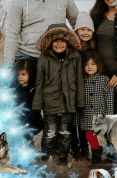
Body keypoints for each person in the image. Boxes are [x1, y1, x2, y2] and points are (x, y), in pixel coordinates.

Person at [3, 0, 79, 68]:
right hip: (26, 57)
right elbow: (12, 35)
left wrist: (83, 52)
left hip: (57, 57)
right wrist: (8, 66)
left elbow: (77, 22)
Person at [32, 23, 84, 166]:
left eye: (63, 40)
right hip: (50, 102)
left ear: (68, 41)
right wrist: (37, 104)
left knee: (66, 133)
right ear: (49, 42)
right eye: (55, 40)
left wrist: (79, 102)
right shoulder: (44, 57)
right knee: (50, 132)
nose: (59, 44)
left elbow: (79, 80)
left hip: (69, 102)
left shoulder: (75, 56)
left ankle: (61, 158)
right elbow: (39, 82)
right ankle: (45, 157)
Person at [78, 50, 114, 165]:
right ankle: (95, 159)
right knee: (90, 136)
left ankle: (102, 157)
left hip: (99, 115)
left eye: (93, 64)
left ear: (98, 65)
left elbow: (109, 98)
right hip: (86, 115)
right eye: (86, 64)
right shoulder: (81, 80)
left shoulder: (104, 80)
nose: (89, 67)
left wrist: (109, 116)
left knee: (100, 137)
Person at [70, 11, 95, 161]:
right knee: (73, 123)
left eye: (88, 29)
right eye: (82, 29)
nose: (85, 33)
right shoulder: (71, 49)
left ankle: (89, 150)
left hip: (88, 94)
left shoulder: (94, 50)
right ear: (76, 31)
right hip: (74, 92)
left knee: (86, 126)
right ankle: (75, 149)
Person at [11, 59, 44, 145]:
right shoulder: (15, 89)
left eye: (23, 74)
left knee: (28, 138)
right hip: (18, 119)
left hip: (31, 119)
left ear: (30, 74)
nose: (20, 77)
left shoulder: (32, 89)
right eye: (18, 75)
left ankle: (30, 153)